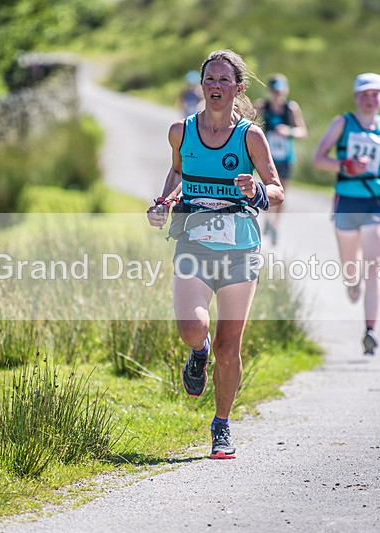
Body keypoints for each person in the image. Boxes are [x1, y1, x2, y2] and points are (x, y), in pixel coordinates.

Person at [147, 50, 283, 459]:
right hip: (194, 242)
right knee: (192, 327)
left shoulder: (249, 137)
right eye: (210, 79)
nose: (216, 86)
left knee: (230, 348)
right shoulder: (181, 131)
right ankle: (197, 351)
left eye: (225, 80)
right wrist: (166, 202)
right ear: (202, 85)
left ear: (238, 88)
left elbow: (276, 189)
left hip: (241, 250)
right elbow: (177, 173)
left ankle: (221, 427)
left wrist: (255, 192)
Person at [311, 72, 380, 356]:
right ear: (356, 98)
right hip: (347, 202)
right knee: (351, 269)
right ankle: (351, 283)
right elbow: (318, 159)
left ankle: (370, 331)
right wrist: (346, 165)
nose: (370, 100)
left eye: (375, 95)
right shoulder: (342, 123)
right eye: (364, 95)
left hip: (377, 203)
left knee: (374, 269)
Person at [255, 74, 307, 245]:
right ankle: (268, 221)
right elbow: (250, 123)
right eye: (275, 91)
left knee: (281, 193)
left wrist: (289, 132)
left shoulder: (291, 108)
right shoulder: (263, 106)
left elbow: (302, 131)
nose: (278, 94)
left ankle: (275, 225)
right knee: (267, 190)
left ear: (285, 90)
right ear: (270, 91)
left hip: (285, 157)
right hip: (267, 157)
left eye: (280, 91)